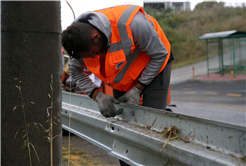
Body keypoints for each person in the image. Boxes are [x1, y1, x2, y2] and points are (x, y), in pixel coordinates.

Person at [61, 5, 174, 119]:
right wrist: (97, 96)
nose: (93, 57)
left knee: (152, 118)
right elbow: (74, 70)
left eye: (93, 52)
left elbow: (159, 55)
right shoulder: (76, 41)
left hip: (154, 63)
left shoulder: (133, 24)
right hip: (123, 75)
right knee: (123, 119)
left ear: (96, 37)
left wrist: (137, 89)